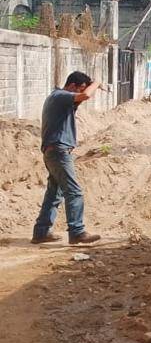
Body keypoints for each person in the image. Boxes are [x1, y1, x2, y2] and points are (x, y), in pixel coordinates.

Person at [31, 71, 102, 245]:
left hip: (54, 151)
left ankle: (41, 232)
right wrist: (97, 83)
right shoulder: (61, 96)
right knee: (74, 192)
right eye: (80, 88)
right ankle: (77, 231)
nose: (81, 93)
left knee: (54, 193)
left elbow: (82, 96)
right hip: (58, 151)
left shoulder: (59, 99)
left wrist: (90, 85)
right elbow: (85, 95)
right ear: (72, 86)